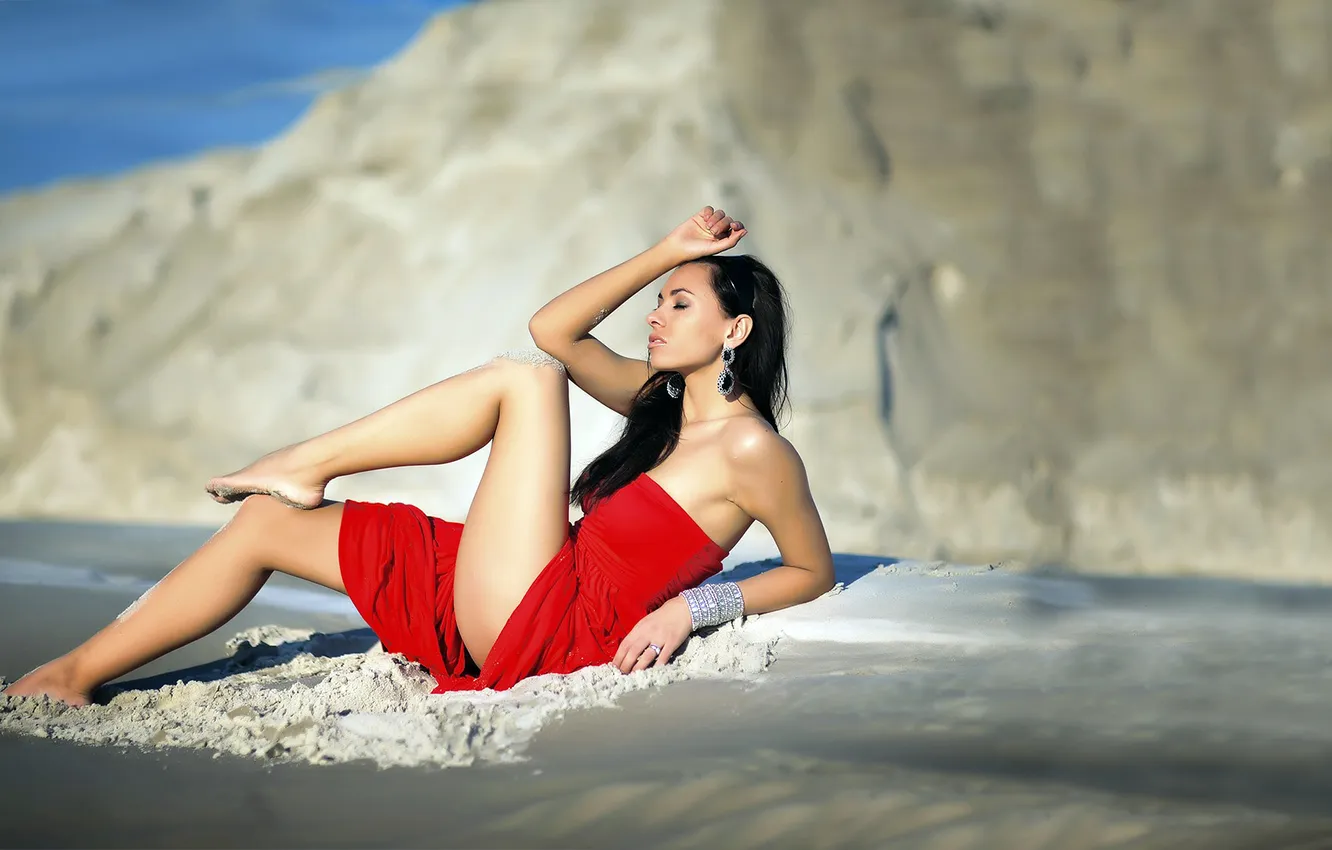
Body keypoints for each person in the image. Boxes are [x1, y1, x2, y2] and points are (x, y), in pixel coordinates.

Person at [4, 206, 835, 705]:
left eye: (677, 303)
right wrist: (666, 250)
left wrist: (694, 608)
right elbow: (557, 326)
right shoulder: (655, 409)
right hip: (524, 588)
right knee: (264, 526)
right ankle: (74, 673)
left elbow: (811, 569)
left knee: (528, 386)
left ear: (735, 331)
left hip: (556, 627)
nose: (654, 317)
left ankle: (311, 458)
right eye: (657, 302)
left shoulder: (753, 448)